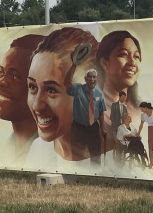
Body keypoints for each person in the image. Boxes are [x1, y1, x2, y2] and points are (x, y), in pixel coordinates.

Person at [25, 26, 98, 165]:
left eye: (51, 90)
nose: (36, 105)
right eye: (33, 87)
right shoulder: (38, 150)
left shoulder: (109, 156)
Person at [0, 33, 45, 158]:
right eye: (1, 73)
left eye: (15, 76)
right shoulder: (4, 150)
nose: (1, 82)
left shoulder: (49, 150)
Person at [96, 30, 143, 149]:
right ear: (104, 63)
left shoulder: (140, 110)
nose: (132, 63)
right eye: (123, 54)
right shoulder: (94, 108)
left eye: (136, 57)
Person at [138, 102, 153, 169]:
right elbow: (141, 124)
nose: (141, 111)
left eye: (142, 109)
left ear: (146, 108)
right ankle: (151, 162)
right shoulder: (143, 115)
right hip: (151, 129)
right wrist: (138, 133)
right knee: (150, 146)